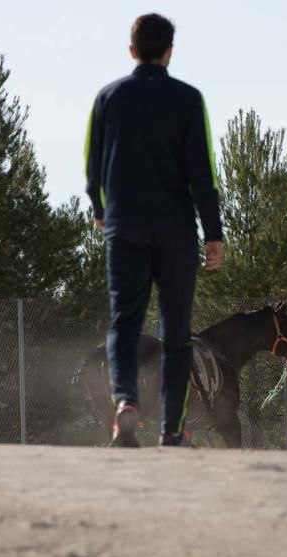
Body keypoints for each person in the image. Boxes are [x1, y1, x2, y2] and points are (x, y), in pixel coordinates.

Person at [84, 13, 224, 448]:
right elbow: (204, 174)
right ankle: (170, 429)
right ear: (169, 52)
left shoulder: (108, 98)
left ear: (132, 51)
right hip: (176, 232)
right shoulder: (189, 100)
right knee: (176, 333)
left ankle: (125, 403)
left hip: (124, 227)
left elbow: (92, 164)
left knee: (124, 324)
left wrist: (100, 208)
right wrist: (213, 232)